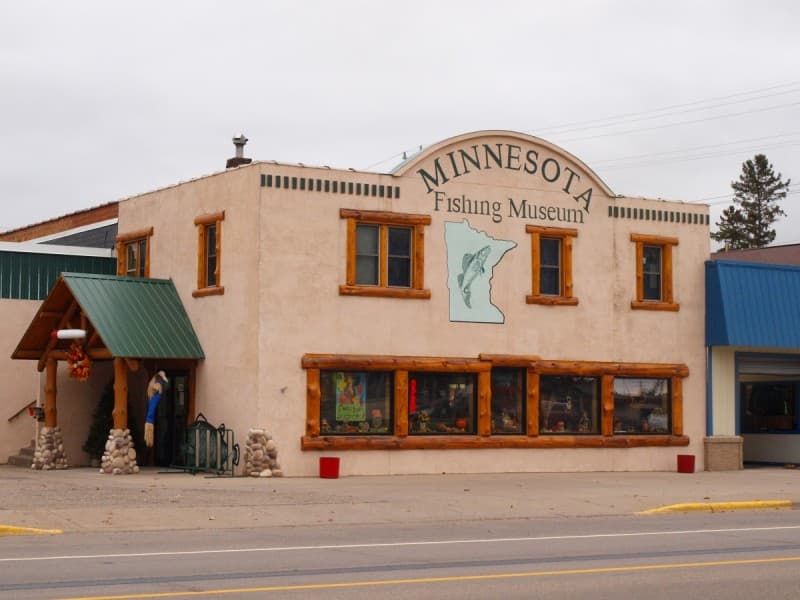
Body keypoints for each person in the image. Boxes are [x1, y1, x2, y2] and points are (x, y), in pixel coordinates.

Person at [144, 371, 168, 448]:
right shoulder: (157, 385)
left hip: (150, 419)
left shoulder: (152, 390)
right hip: (150, 420)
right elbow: (156, 387)